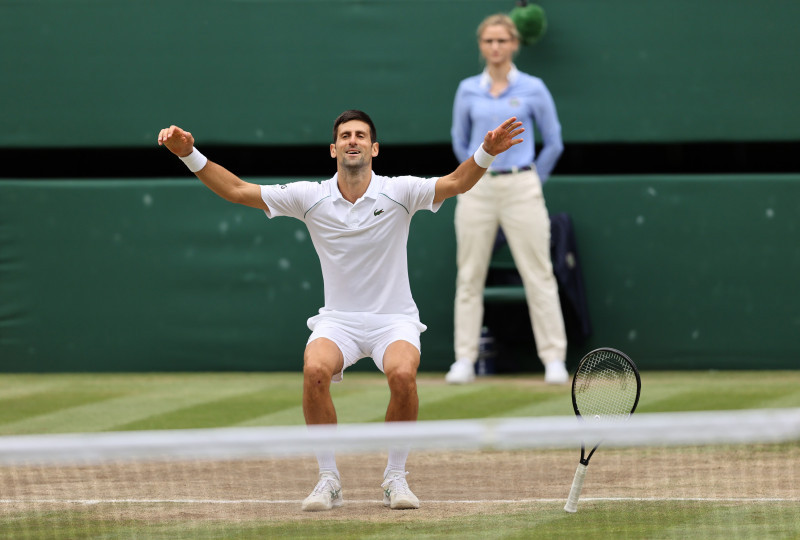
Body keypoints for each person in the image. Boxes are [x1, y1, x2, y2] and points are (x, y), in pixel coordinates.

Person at [157, 110, 523, 511]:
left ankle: (396, 478)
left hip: (393, 320)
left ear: (374, 148)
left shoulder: (400, 191)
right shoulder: (309, 197)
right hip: (339, 321)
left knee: (403, 375)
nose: (353, 140)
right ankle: (328, 478)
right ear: (334, 149)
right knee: (314, 370)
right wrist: (189, 154)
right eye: (346, 135)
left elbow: (456, 182)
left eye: (361, 135)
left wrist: (485, 152)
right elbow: (238, 190)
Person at [445, 13, 569, 385]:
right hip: (478, 189)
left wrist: (532, 179)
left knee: (539, 274)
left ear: (514, 44)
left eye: (502, 41)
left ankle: (554, 360)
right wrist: (474, 173)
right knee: (469, 275)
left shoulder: (533, 87)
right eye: (489, 41)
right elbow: (459, 140)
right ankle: (464, 360)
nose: (496, 47)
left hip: (522, 187)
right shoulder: (467, 89)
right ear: (481, 46)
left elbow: (554, 141)